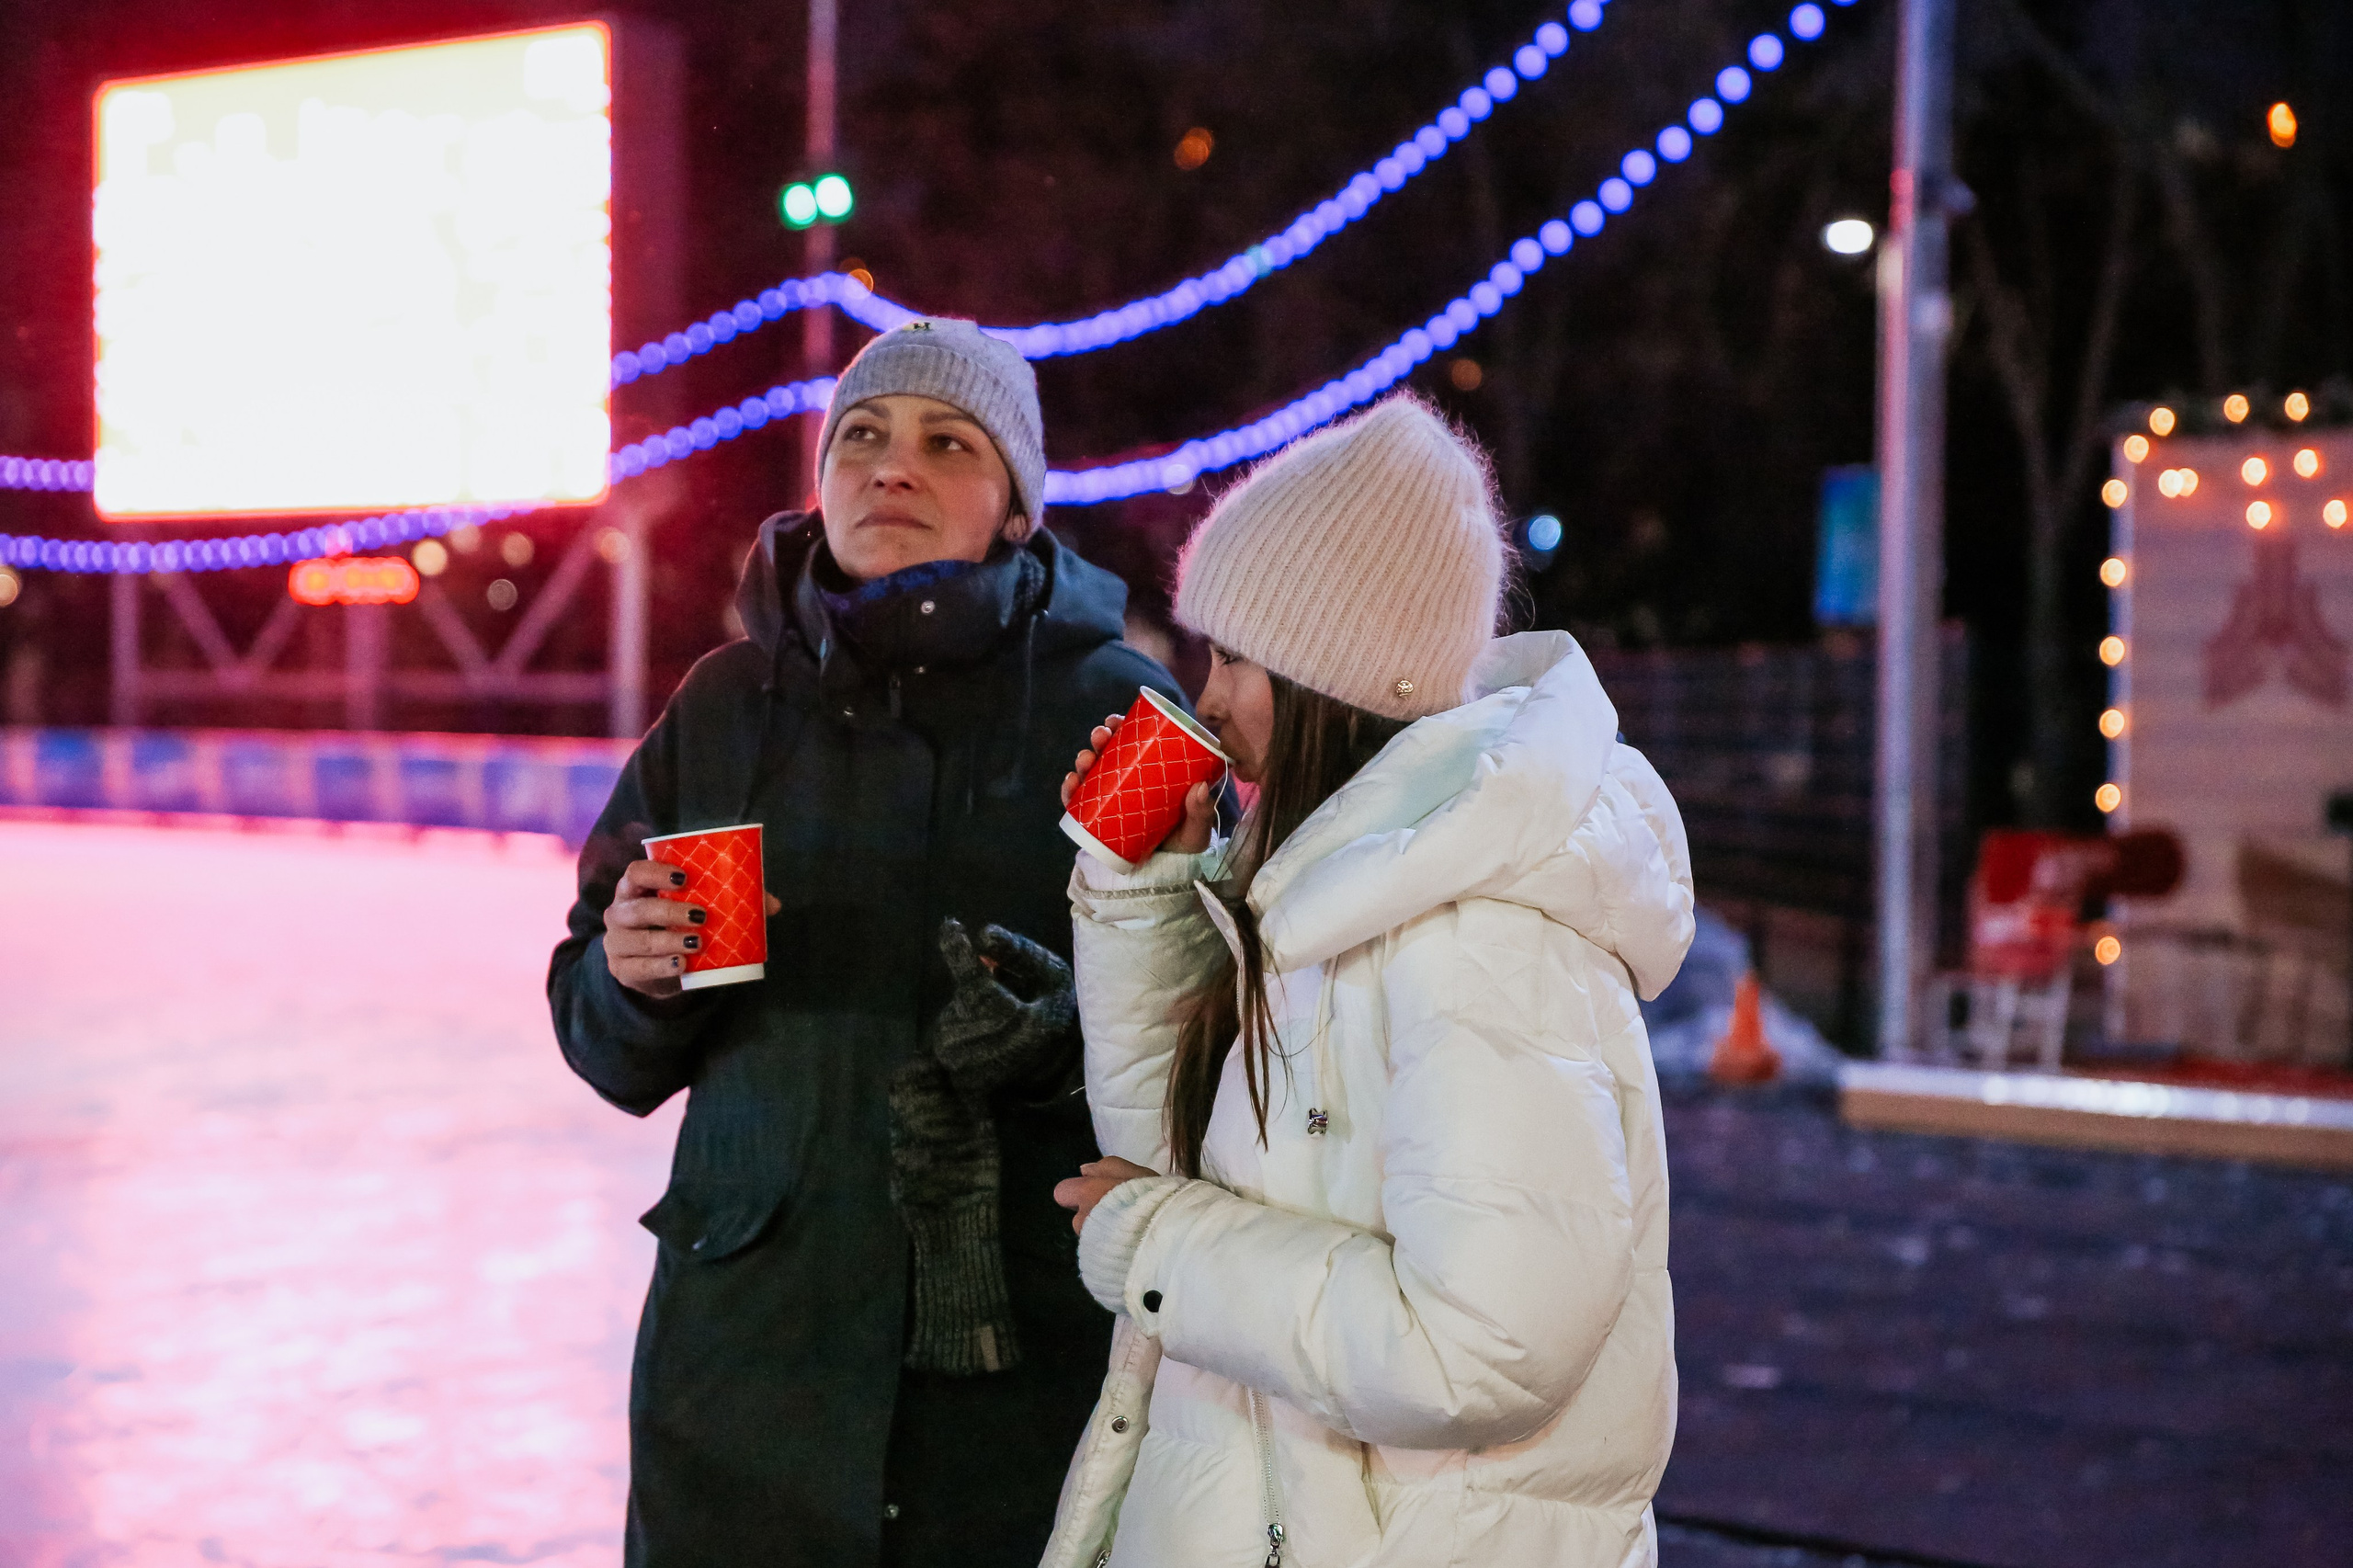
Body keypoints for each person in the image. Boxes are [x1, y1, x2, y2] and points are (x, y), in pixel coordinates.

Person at [547, 318, 1190, 1566]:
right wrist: (633, 982)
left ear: (1016, 509)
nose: (892, 466)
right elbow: (602, 1037)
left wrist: (1060, 1044)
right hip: (742, 1376)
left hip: (1016, 1380)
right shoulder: (727, 708)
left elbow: (1210, 1031)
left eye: (948, 442)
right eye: (862, 435)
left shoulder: (1127, 714)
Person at [1042, 396, 1697, 1567]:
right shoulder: (1326, 895)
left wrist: (1160, 1249)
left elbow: (1476, 1350)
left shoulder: (1477, 933)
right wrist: (1147, 895)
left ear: (1338, 677)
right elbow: (1178, 1168)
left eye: (1238, 657)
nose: (1207, 697)